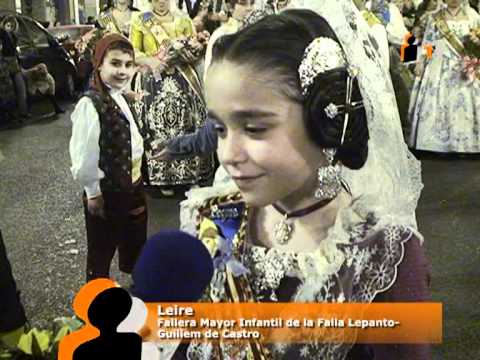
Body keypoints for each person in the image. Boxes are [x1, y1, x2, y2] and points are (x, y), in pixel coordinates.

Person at [181, 3, 429, 359]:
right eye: (220, 128)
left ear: (325, 121)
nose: (228, 154)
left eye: (254, 128)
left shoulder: (386, 256)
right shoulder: (212, 218)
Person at [70, 34, 148, 281]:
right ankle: (95, 304)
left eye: (128, 64)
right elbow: (83, 156)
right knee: (102, 250)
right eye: (115, 63)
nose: (123, 71)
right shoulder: (90, 104)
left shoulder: (117, 93)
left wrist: (130, 95)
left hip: (133, 184)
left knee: (135, 241)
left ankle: (136, 287)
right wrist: (93, 192)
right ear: (99, 64)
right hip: (108, 191)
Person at [130, 0, 215, 195]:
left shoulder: (183, 19)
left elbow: (195, 46)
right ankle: (163, 178)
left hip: (184, 79)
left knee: (190, 122)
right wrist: (152, 61)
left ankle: (191, 174)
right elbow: (134, 51)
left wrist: (187, 53)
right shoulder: (140, 20)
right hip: (153, 79)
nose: (161, 1)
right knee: (156, 126)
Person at [408, 0, 480, 152]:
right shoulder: (434, 17)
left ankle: (467, 142)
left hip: (465, 68)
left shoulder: (473, 17)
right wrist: (421, 62)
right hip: (440, 66)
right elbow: (429, 44)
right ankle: (438, 143)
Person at [0, 16, 29, 121]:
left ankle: (23, 112)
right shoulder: (2, 34)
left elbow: (15, 51)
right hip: (4, 64)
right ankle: (11, 113)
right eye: (8, 25)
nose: (9, 27)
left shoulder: (13, 36)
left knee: (20, 87)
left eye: (11, 25)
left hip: (14, 63)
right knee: (9, 90)